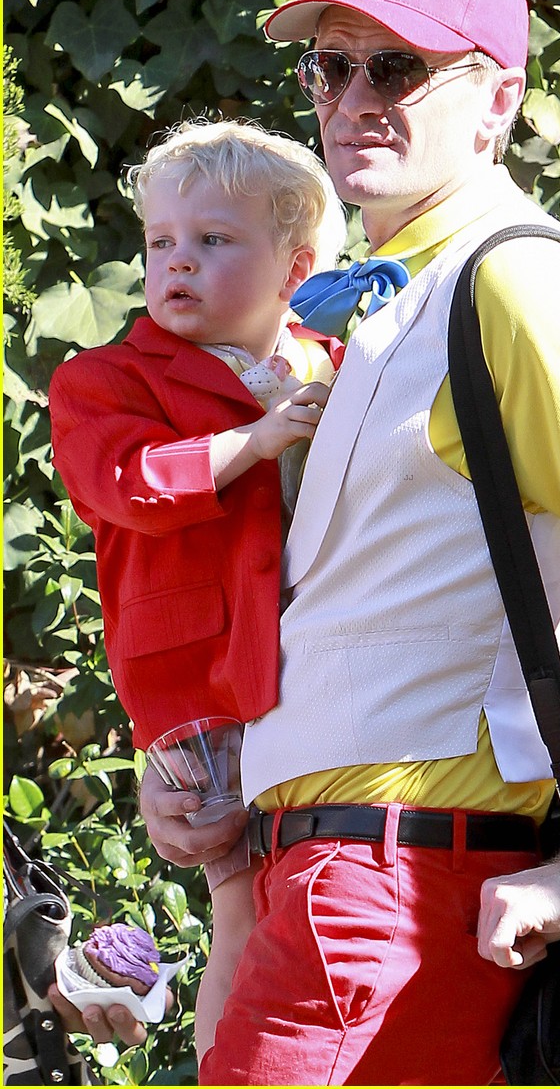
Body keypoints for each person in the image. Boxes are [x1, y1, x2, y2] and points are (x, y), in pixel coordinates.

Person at [139, 0, 560, 1086]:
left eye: (402, 66)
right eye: (333, 65)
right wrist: (235, 778)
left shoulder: (517, 281)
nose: (356, 97)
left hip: (399, 901)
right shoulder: (390, 306)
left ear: (497, 103)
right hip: (330, 888)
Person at [47, 118, 346, 1060]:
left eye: (213, 241)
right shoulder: (105, 377)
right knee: (244, 908)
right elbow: (125, 480)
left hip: (315, 664)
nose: (177, 262)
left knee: (321, 886)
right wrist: (250, 444)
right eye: (160, 242)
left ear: (296, 268)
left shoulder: (333, 361)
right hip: (198, 677)